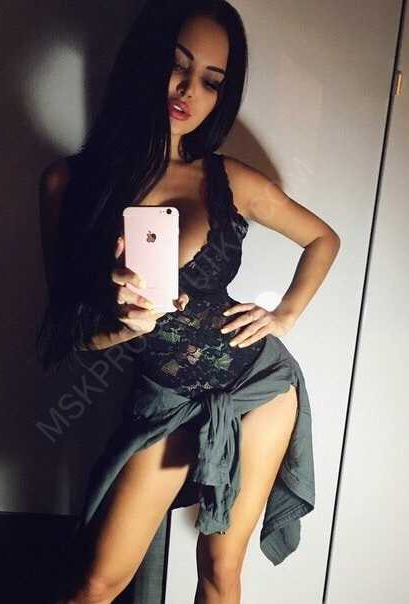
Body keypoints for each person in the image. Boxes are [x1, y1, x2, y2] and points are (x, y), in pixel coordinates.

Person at [36, 1, 340, 602]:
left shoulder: (228, 179)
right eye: (176, 65)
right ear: (143, 62)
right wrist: (126, 324)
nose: (187, 90)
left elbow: (323, 239)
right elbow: (70, 334)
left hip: (255, 383)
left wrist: (284, 314)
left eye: (211, 81)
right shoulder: (66, 184)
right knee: (98, 581)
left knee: (220, 568)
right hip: (166, 397)